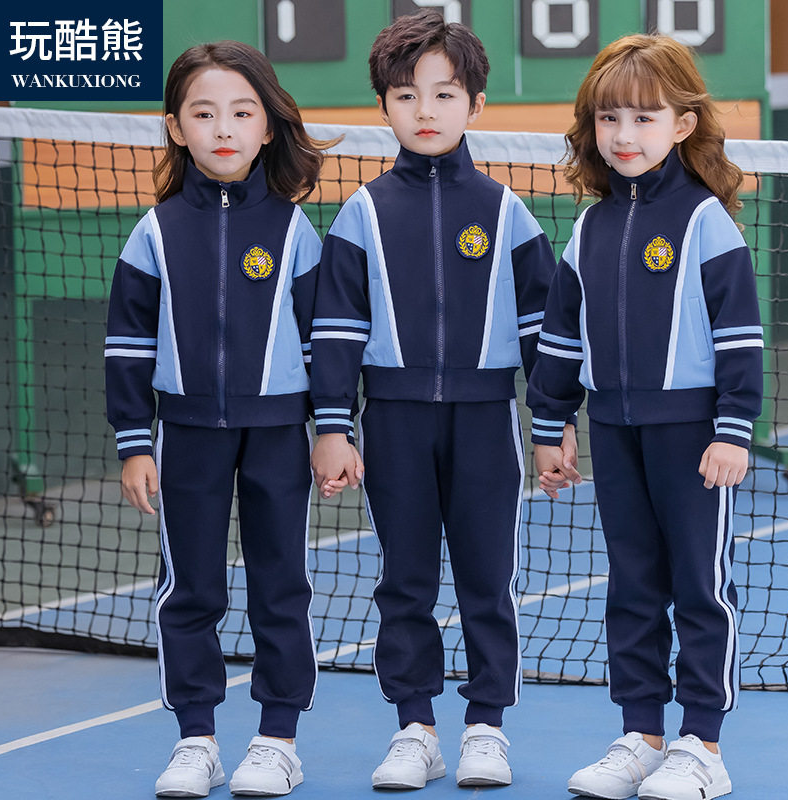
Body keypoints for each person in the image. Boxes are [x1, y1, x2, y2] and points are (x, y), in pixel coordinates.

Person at [309, 10, 572, 791]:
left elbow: (544, 331)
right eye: (406, 95)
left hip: (488, 422)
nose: (425, 111)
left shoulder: (507, 212)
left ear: (476, 104)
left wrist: (552, 425)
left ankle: (486, 726)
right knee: (405, 582)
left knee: (488, 580)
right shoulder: (361, 213)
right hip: (392, 423)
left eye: (444, 94)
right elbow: (335, 331)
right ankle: (416, 728)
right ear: (383, 107)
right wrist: (333, 426)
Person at [527, 34, 763, 800]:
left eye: (643, 117)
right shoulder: (589, 229)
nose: (623, 135)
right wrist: (551, 425)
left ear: (682, 124)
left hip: (694, 438)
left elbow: (740, 337)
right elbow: (561, 337)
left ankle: (703, 745)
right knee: (631, 584)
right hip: (614, 432)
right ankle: (642, 735)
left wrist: (732, 429)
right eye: (608, 118)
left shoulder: (707, 222)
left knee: (699, 585)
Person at [105, 40, 334, 798]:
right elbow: (127, 346)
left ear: (267, 127)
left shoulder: (297, 233)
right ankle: (195, 739)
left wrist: (334, 430)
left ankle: (277, 740)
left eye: (242, 112)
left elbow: (322, 343)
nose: (224, 128)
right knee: (189, 588)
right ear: (177, 128)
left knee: (281, 585)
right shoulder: (154, 232)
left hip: (279, 437)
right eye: (203, 114)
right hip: (185, 437)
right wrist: (134, 442)